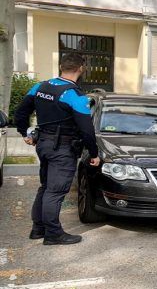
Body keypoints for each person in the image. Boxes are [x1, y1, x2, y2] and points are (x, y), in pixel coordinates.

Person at [14, 53, 100, 245]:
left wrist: (25, 133)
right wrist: (93, 154)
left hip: (43, 144)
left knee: (45, 187)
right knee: (55, 191)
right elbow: (87, 130)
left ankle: (38, 229)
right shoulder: (74, 94)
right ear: (81, 69)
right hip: (62, 148)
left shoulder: (40, 86)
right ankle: (53, 234)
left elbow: (20, 113)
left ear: (61, 66)